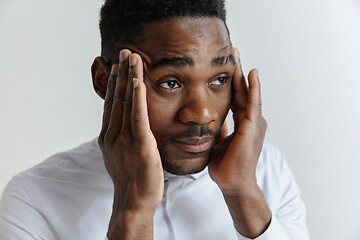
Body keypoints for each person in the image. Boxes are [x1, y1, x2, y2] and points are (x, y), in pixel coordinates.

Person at [0, 0, 310, 239]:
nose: (202, 113)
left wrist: (243, 195)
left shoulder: (270, 174)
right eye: (170, 83)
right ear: (105, 81)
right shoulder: (34, 198)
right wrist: (132, 212)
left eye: (219, 79)